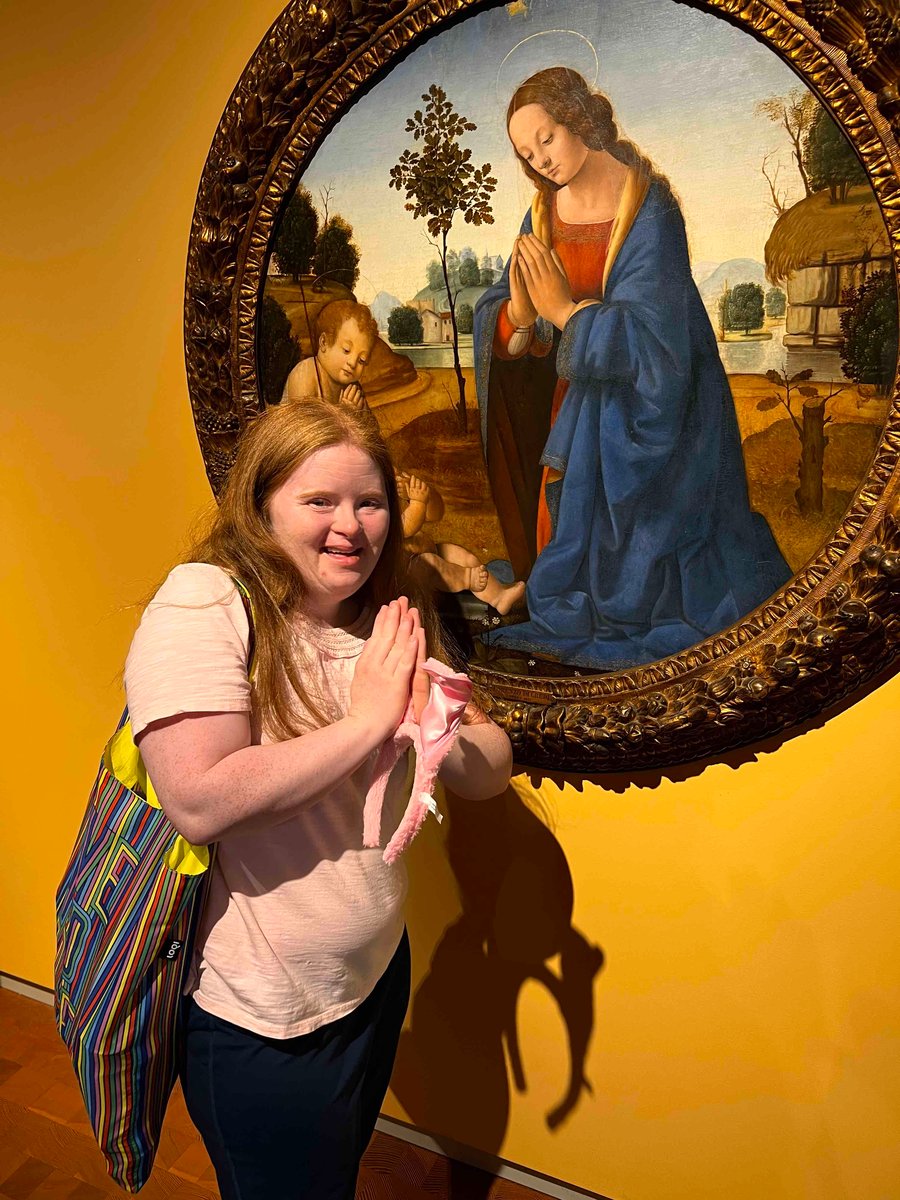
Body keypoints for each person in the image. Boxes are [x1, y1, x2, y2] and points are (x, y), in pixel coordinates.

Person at [124, 399, 512, 1200]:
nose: (352, 527)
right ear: (263, 505)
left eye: (369, 502)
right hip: (263, 1019)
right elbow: (201, 800)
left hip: (372, 982)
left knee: (328, 1180)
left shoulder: (389, 615)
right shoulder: (205, 602)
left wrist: (433, 725)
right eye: (319, 502)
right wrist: (371, 719)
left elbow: (489, 770)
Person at [473, 67, 791, 670]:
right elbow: (522, 327)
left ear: (578, 120)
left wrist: (567, 312)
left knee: (639, 562)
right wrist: (518, 314)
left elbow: (660, 339)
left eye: (547, 138)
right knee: (561, 527)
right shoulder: (541, 215)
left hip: (654, 411)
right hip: (576, 409)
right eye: (524, 152)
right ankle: (551, 593)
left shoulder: (645, 206)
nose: (539, 159)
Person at [399, 470, 526, 615]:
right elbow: (405, 528)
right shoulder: (378, 513)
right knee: (429, 562)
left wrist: (426, 495)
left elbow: (435, 514)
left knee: (460, 555)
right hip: (411, 579)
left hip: (428, 550)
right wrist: (418, 501)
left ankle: (499, 597)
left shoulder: (398, 494)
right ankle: (468, 578)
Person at [282, 299, 378, 409]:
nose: (352, 363)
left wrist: (358, 414)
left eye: (362, 360)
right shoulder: (304, 373)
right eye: (346, 350)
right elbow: (303, 424)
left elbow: (370, 425)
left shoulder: (353, 388)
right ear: (324, 343)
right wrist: (345, 415)